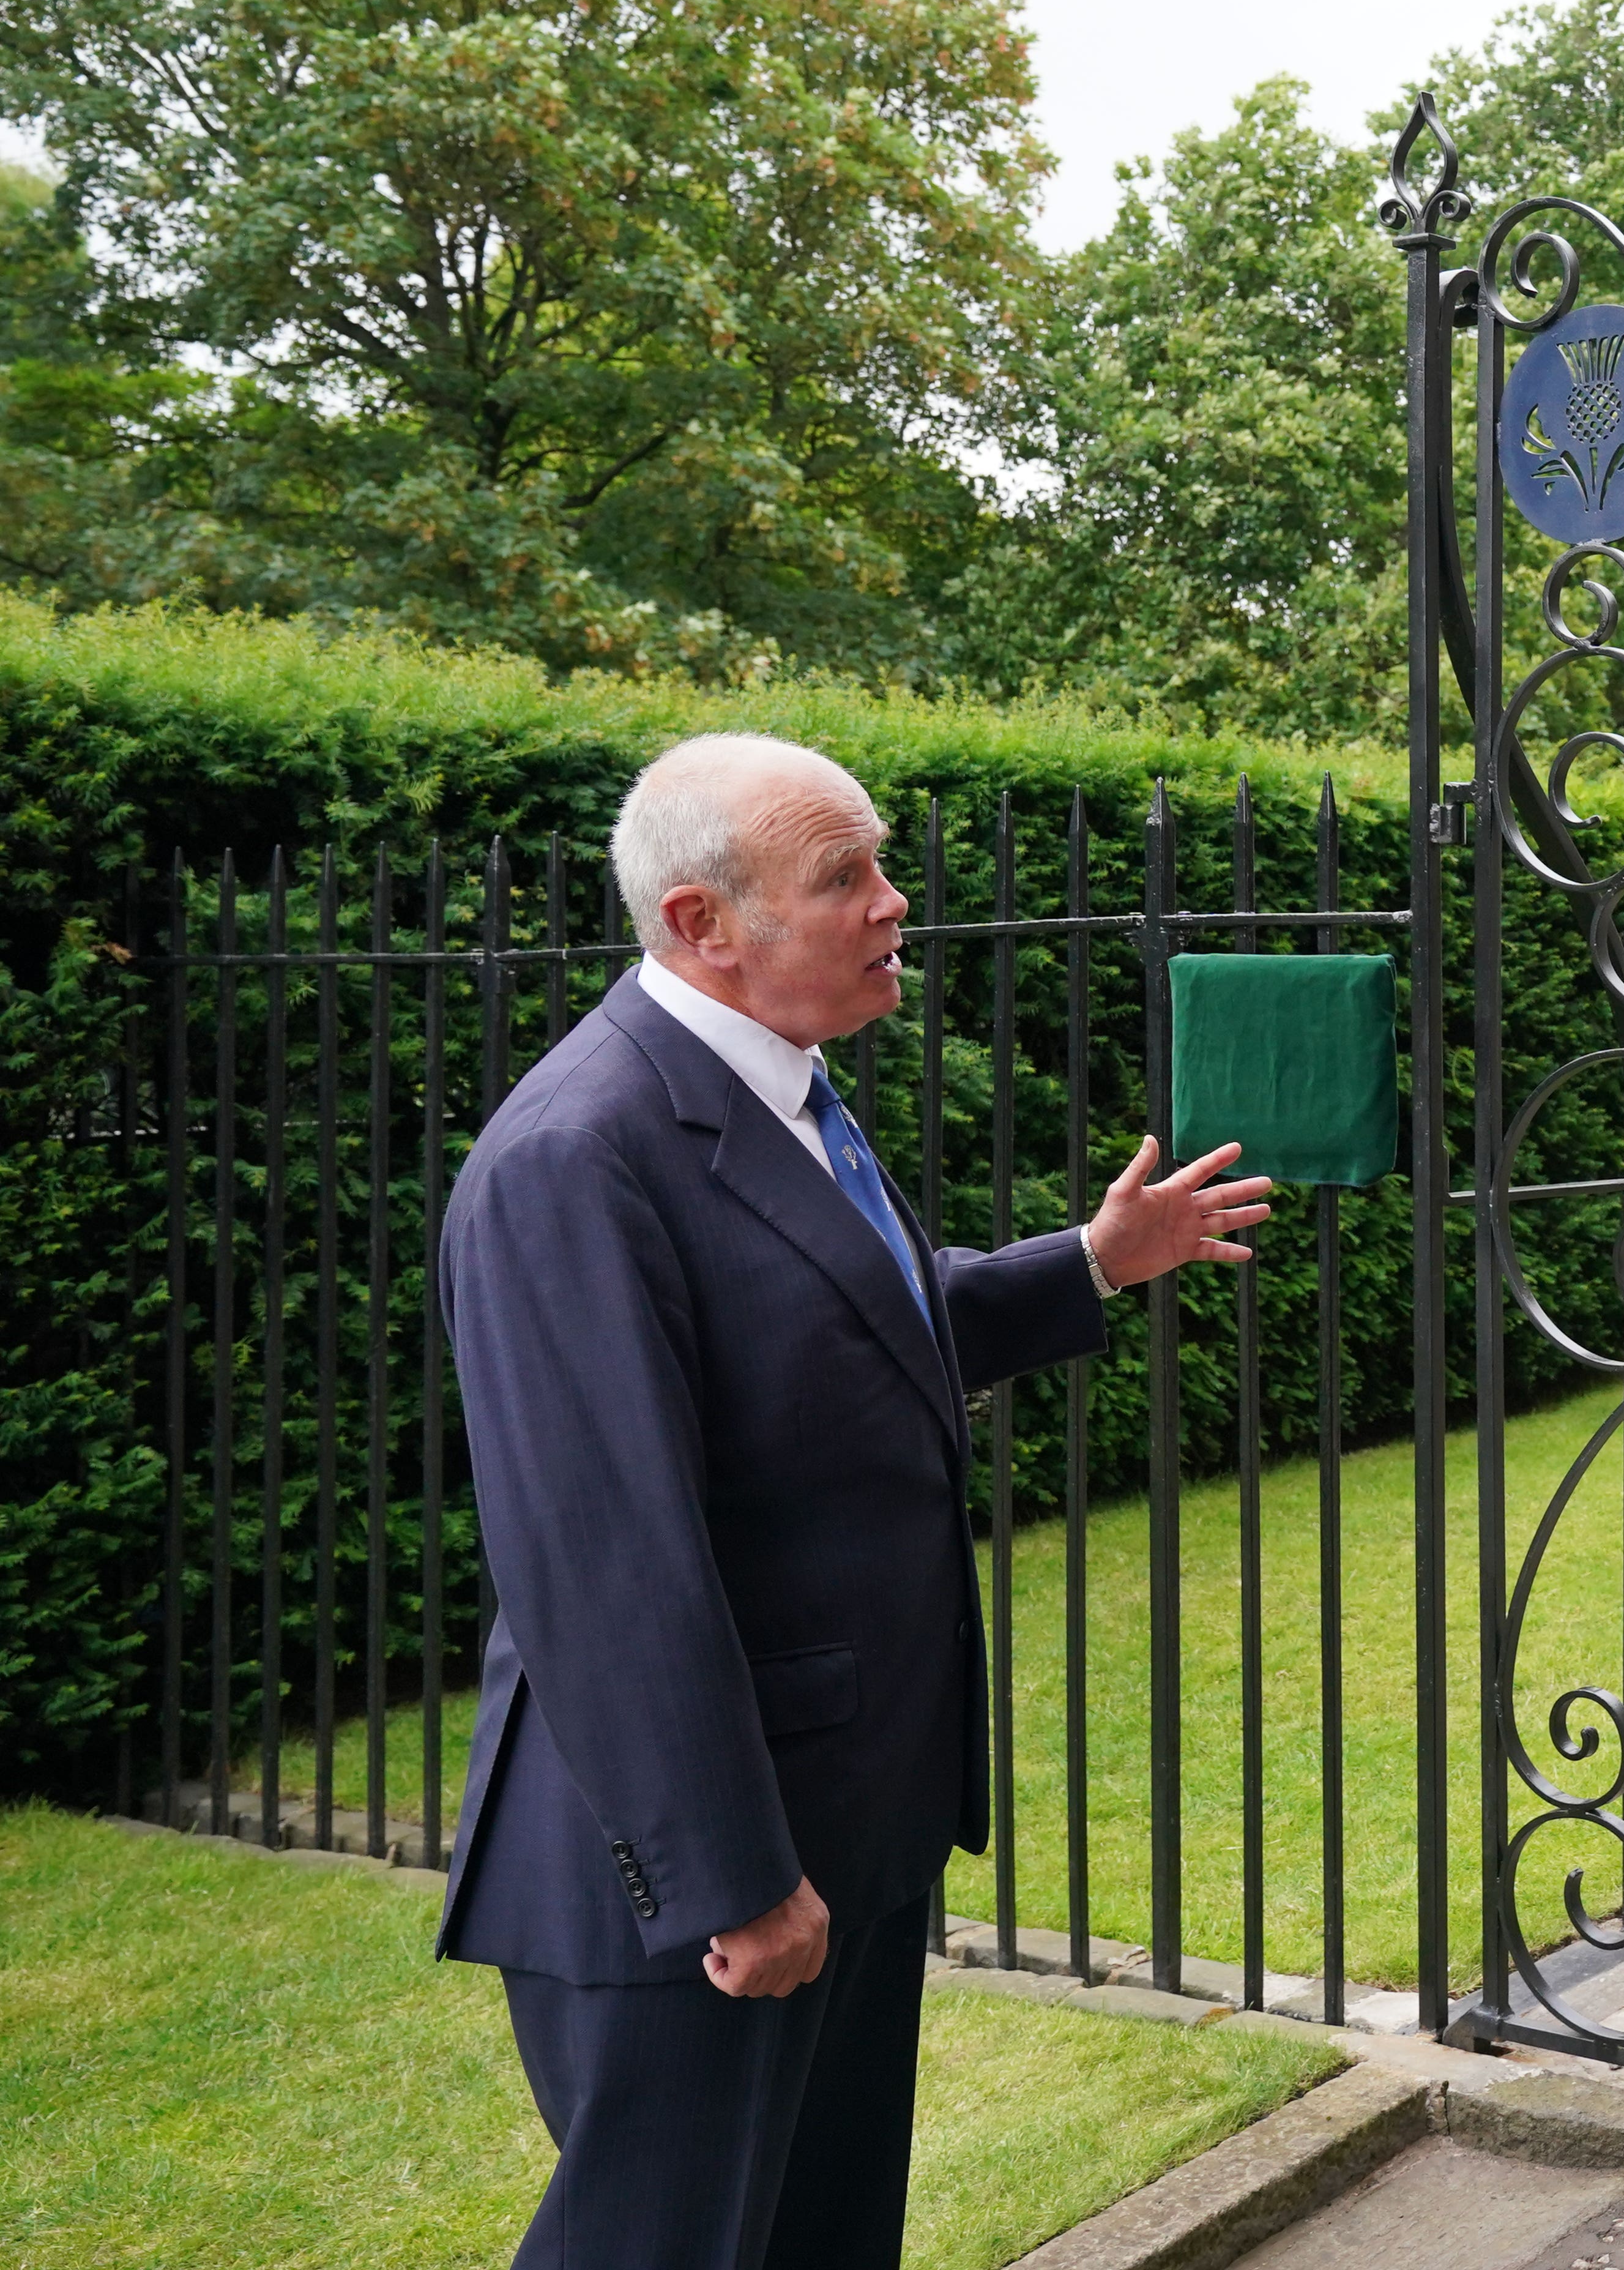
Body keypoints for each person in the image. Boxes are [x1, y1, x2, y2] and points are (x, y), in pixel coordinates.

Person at [435, 734, 1273, 2270]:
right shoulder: (576, 1154)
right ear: (702, 924)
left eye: (880, 863)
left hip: (847, 1823)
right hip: (704, 1883)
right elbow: (607, 1557)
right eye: (847, 877)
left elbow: (846, 1328)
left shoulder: (781, 1084)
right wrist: (734, 1877)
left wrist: (1090, 1262)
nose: (896, 903)